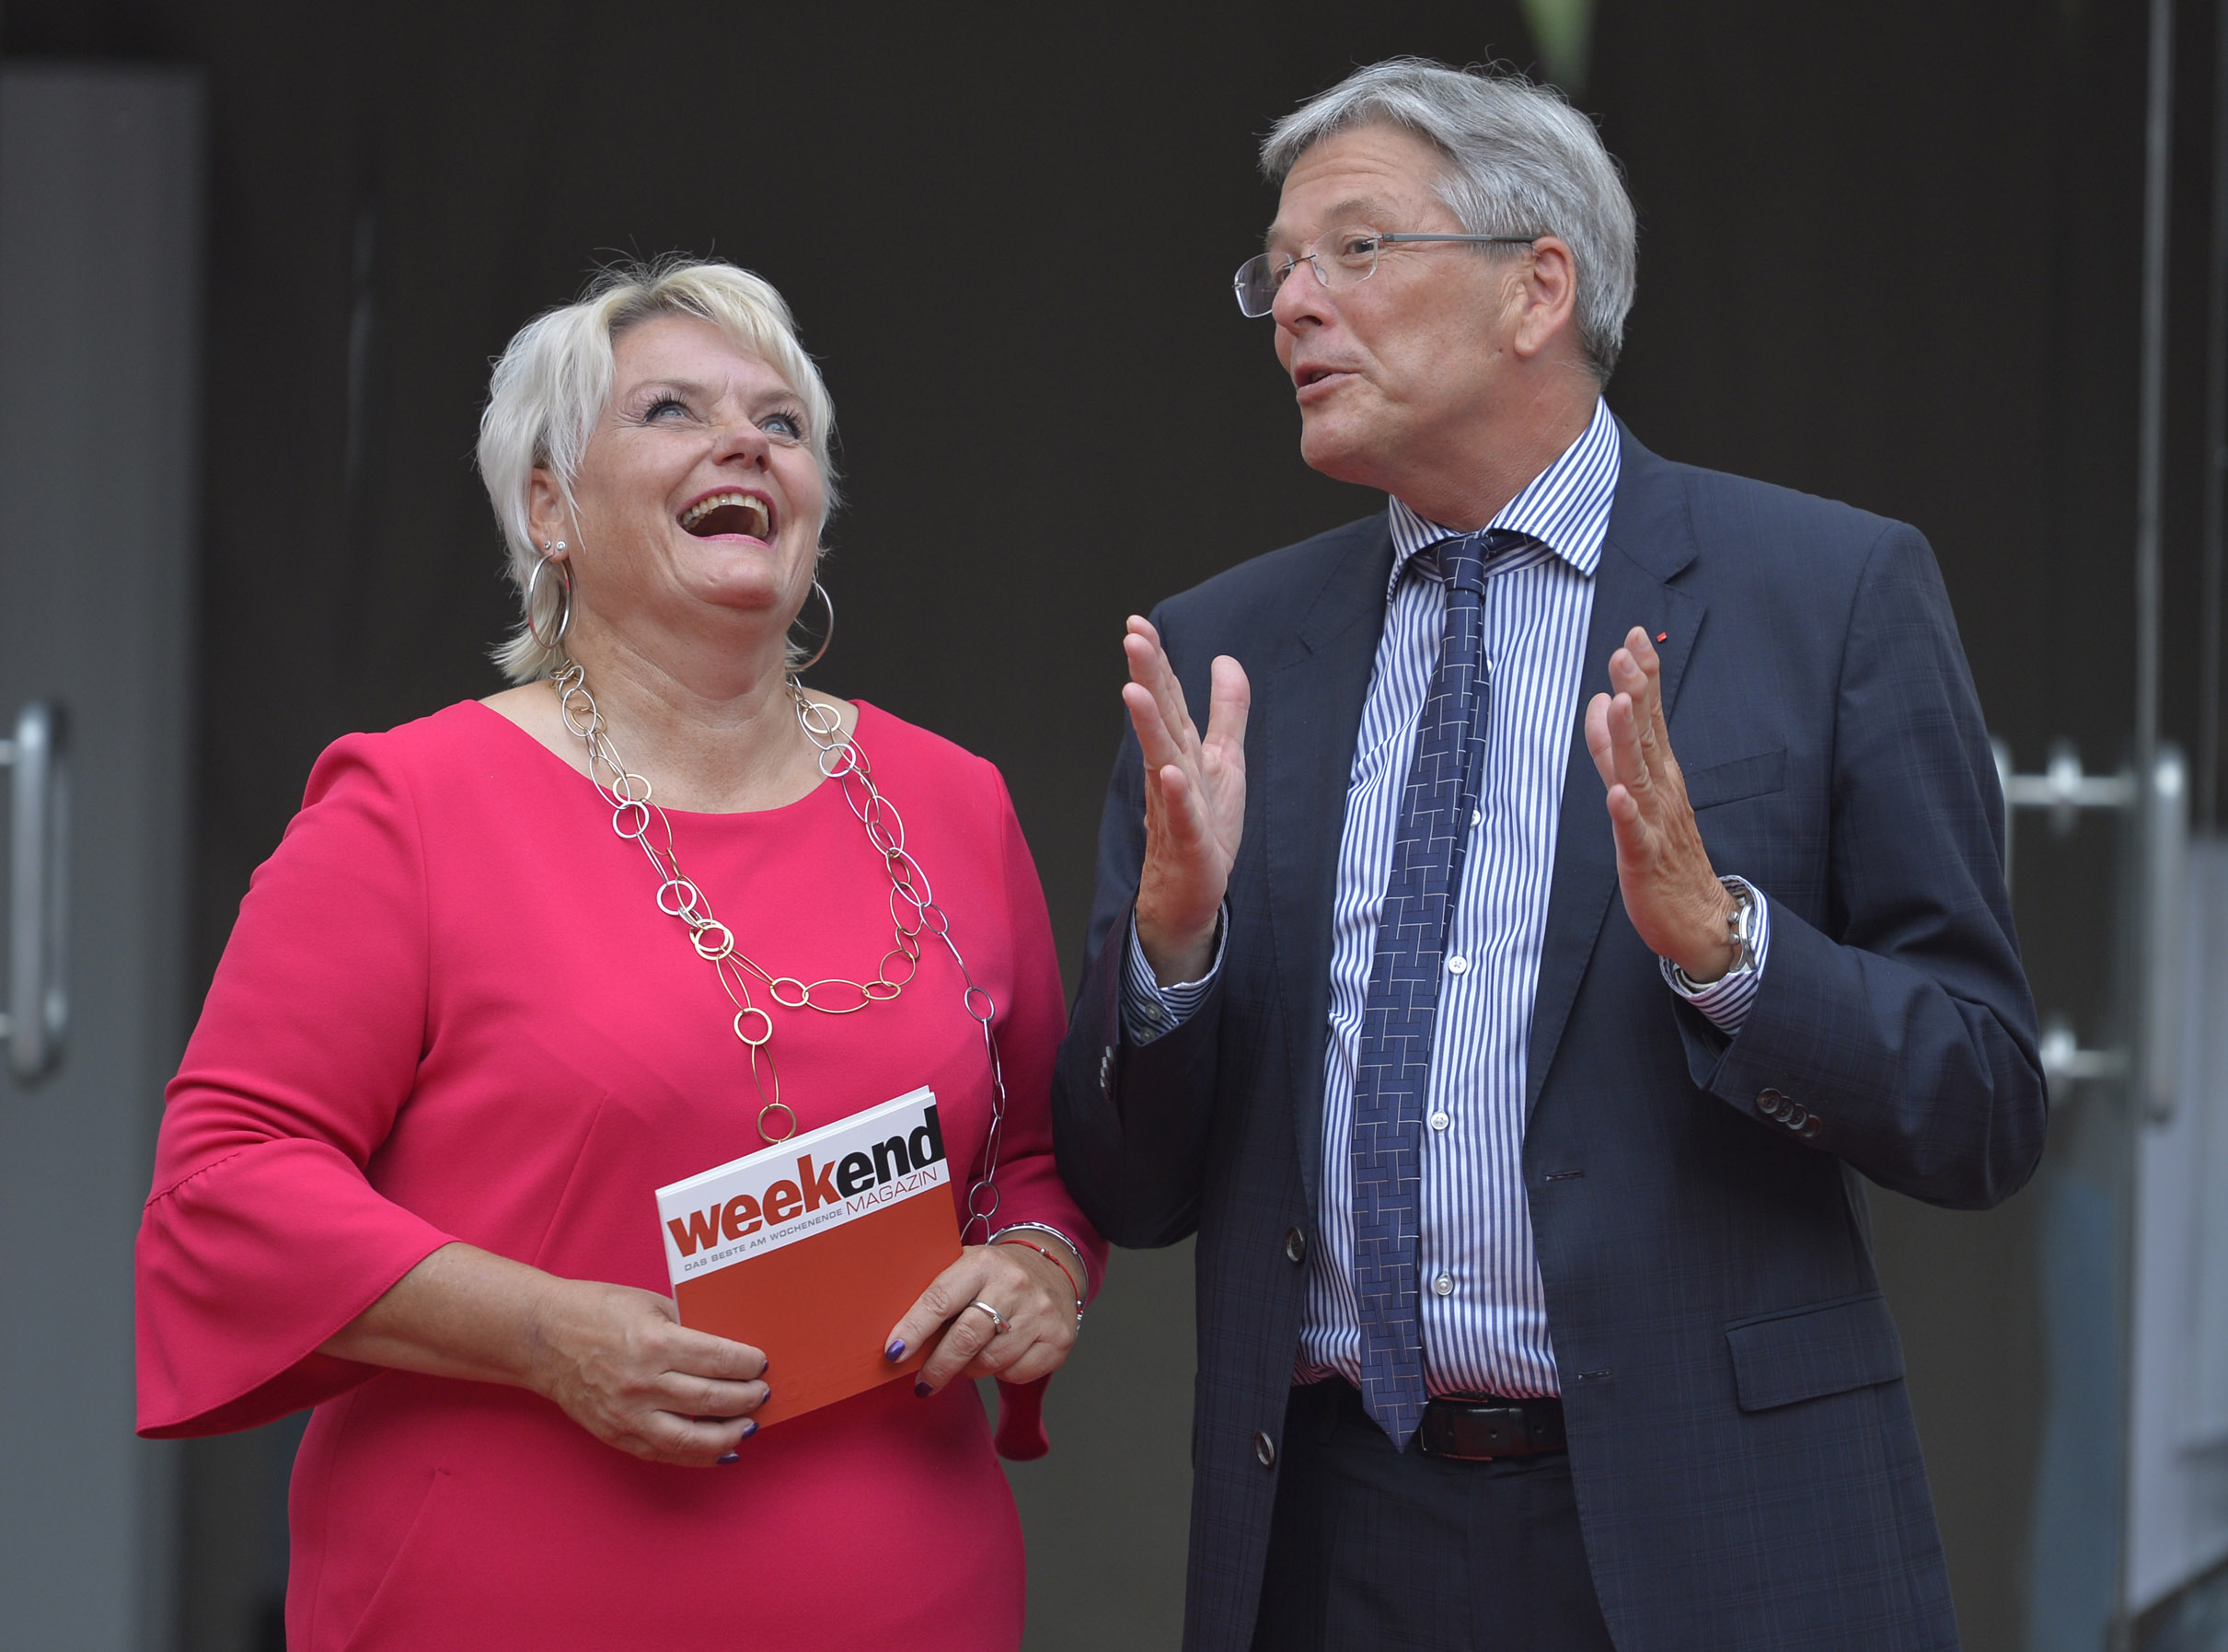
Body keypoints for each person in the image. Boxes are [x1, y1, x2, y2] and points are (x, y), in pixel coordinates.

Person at [1052, 58, 2044, 1652]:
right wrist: (1170, 956)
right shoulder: (1223, 656)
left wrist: (1726, 950)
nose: (1294, 305)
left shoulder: (1826, 592)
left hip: (1711, 1528)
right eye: (1278, 268)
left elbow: (1982, 1105)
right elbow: (1129, 1186)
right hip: (1327, 1526)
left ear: (1537, 288)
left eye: (1353, 249)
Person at [136, 258, 1101, 1652]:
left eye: (781, 423)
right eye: (670, 410)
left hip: (909, 1587)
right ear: (549, 508)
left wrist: (1039, 1266)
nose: (743, 444)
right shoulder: (410, 808)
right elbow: (227, 1187)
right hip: (501, 1592)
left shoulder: (953, 800)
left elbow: (1033, 1157)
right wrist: (544, 1334)